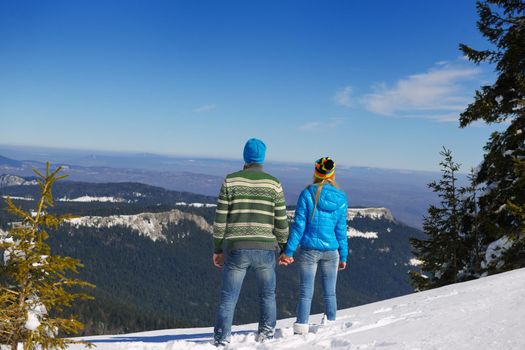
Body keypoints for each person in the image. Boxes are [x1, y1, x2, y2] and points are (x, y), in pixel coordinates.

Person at [212, 138, 289, 346]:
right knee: (267, 296)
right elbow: (281, 221)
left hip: (236, 248)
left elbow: (220, 220)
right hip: (265, 249)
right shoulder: (274, 184)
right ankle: (266, 337)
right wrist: (285, 248)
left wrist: (218, 248)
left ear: (245, 157)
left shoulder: (230, 180)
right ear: (262, 158)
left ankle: (221, 340)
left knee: (228, 298)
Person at [279, 157, 348, 335]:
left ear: (316, 172)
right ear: (332, 174)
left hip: (309, 250)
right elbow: (341, 230)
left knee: (305, 292)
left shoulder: (308, 193)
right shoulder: (341, 198)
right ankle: (331, 322)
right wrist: (344, 255)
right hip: (332, 251)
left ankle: (301, 325)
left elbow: (299, 226)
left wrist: (288, 251)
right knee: (330, 292)